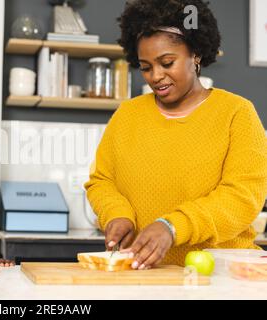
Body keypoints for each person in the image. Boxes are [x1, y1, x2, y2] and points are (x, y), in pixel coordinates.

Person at [85, 0, 267, 270]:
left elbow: (242, 197)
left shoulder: (236, 113)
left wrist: (173, 226)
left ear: (195, 54)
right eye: (146, 67)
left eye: (167, 62)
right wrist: (117, 215)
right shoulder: (127, 115)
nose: (156, 76)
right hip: (146, 275)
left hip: (219, 278)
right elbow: (102, 181)